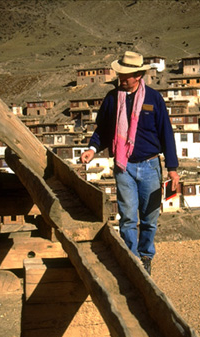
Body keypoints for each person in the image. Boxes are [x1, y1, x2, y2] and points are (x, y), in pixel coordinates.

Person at [81, 51, 179, 274]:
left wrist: (173, 169)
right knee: (127, 217)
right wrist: (92, 148)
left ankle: (145, 255)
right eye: (120, 75)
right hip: (124, 167)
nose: (121, 79)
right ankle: (132, 260)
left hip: (151, 166)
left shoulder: (154, 99)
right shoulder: (112, 99)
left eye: (126, 76)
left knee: (149, 218)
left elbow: (166, 133)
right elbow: (104, 130)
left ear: (139, 75)